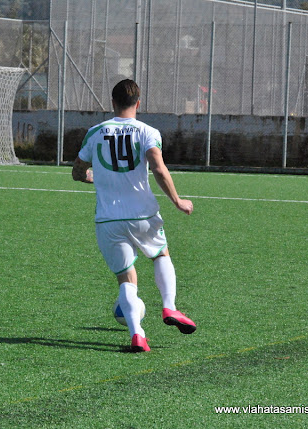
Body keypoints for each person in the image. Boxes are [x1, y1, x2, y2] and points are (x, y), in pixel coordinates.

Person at [72, 79, 196, 352]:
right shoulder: (147, 131)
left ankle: (137, 334)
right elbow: (158, 168)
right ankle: (169, 306)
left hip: (108, 219)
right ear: (138, 103)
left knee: (126, 278)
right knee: (160, 254)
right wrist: (177, 201)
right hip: (143, 214)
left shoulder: (95, 132)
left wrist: (88, 176)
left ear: (113, 103)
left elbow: (77, 170)